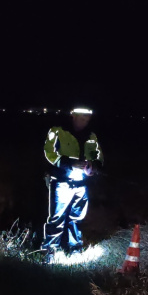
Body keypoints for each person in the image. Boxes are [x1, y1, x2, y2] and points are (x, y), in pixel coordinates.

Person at [42, 107, 104, 262]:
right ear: (73, 116)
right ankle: (50, 250)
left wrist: (94, 166)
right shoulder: (57, 131)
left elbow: (99, 156)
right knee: (57, 217)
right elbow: (49, 152)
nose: (85, 122)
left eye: (88, 119)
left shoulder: (91, 136)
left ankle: (75, 248)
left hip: (82, 183)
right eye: (82, 118)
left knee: (76, 218)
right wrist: (68, 163)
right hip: (61, 181)